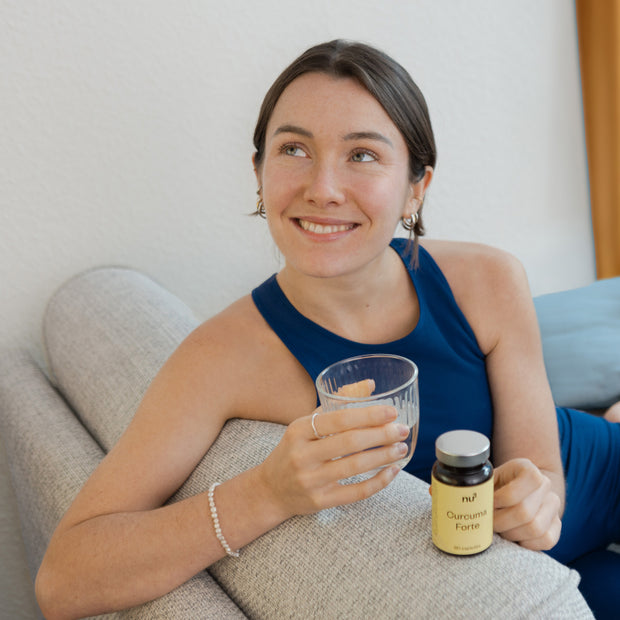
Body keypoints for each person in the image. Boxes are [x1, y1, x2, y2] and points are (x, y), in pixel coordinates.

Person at [35, 39, 620, 619]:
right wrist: (265, 493)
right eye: (293, 149)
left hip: (599, 474)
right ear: (259, 172)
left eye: (362, 155)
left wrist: (538, 495)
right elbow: (65, 579)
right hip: (538, 576)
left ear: (416, 187)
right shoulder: (224, 356)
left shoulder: (488, 279)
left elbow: (546, 472)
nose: (323, 188)